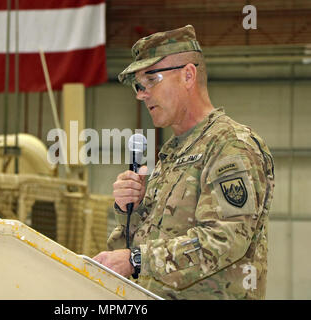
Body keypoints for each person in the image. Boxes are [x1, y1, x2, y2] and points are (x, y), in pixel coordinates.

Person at [93, 25, 275, 300]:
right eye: (138, 86)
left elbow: (225, 240)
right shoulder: (171, 154)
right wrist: (130, 209)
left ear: (188, 75)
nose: (141, 94)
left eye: (151, 80)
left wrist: (137, 259)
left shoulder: (230, 145)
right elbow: (137, 246)